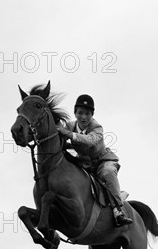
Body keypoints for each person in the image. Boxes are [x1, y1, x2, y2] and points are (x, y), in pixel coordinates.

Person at [57, 94, 133, 227]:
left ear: (92, 114)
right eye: (80, 113)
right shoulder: (69, 125)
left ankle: (118, 211)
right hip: (85, 163)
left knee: (108, 173)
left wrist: (67, 134)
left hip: (103, 161)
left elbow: (89, 141)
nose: (84, 117)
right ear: (75, 113)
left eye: (87, 113)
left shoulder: (97, 127)